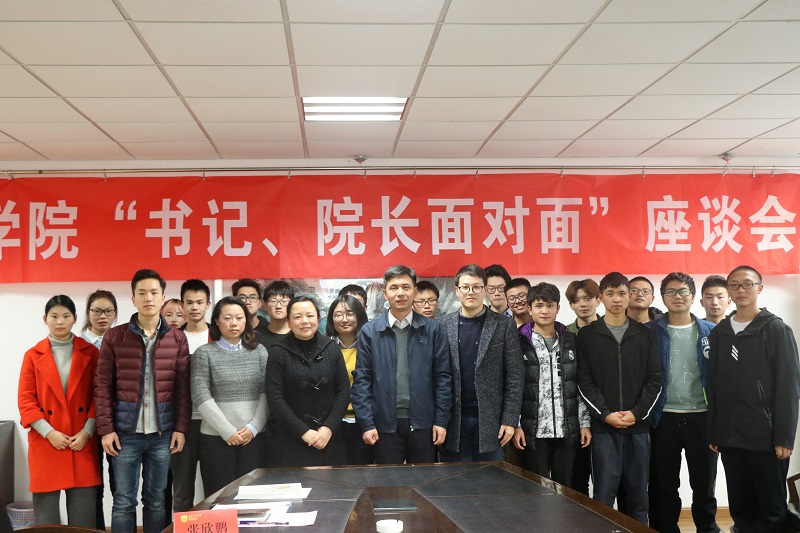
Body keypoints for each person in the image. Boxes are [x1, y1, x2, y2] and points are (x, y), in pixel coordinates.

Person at [95, 269, 191, 533]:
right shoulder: (115, 337)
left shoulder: (177, 338)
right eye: (142, 293)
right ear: (133, 299)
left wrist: (180, 428)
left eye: (154, 292)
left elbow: (182, 388)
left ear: (163, 298)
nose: (148, 298)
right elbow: (102, 386)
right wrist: (106, 429)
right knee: (123, 502)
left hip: (162, 435)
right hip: (125, 435)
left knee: (156, 501)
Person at [708, 266, 800, 532]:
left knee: (772, 508)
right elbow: (713, 385)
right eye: (734, 285)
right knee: (741, 507)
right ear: (729, 291)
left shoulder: (776, 329)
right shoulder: (720, 332)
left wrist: (784, 437)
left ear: (759, 288)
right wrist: (715, 430)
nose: (741, 290)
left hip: (766, 437)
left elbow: (789, 387)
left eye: (747, 284)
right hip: (730, 435)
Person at [577, 271, 661, 524]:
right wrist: (605, 414)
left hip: (638, 427)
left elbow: (655, 379)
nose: (617, 299)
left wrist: (636, 413)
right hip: (604, 429)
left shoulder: (644, 334)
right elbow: (584, 382)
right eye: (610, 293)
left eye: (622, 293)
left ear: (629, 296)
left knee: (638, 497)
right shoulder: (588, 335)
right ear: (601, 298)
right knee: (603, 496)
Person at [352, 265, 452, 464]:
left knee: (424, 479)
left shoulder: (433, 330)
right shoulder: (370, 331)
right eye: (394, 288)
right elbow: (362, 380)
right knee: (388, 481)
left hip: (424, 423)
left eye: (406, 287)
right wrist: (366, 422)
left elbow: (443, 378)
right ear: (385, 293)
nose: (400, 293)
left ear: (415, 291)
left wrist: (441, 420)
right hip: (383, 424)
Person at [647, 273, 720, 533]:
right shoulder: (650, 332)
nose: (677, 296)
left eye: (683, 291)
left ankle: (707, 529)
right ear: (662, 297)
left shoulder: (711, 332)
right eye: (671, 292)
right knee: (663, 484)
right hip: (663, 417)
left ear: (692, 296)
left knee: (704, 484)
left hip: (702, 417)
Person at [18, 295, 100, 527]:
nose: (60, 321)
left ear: (75, 318)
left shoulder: (91, 353)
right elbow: (26, 401)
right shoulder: (32, 355)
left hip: (80, 441)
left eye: (66, 316)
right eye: (54, 316)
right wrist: (49, 432)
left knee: (83, 522)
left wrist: (87, 431)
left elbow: (100, 396)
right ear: (45, 319)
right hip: (46, 442)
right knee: (46, 523)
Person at [440, 264, 523, 462]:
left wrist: (510, 420)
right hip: (454, 421)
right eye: (465, 287)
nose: (471, 292)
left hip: (491, 421)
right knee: (455, 477)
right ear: (457, 290)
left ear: (485, 290)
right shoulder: (442, 325)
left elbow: (515, 375)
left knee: (490, 478)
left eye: (477, 287)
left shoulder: (504, 324)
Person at [514, 283, 591, 487]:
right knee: (535, 488)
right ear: (530, 309)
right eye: (539, 306)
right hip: (533, 431)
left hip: (566, 430)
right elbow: (514, 388)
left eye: (550, 305)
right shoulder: (519, 342)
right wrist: (517, 424)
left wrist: (584, 423)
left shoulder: (570, 341)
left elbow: (579, 385)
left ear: (558, 308)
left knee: (564, 487)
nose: (545, 311)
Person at [192, 297, 268, 495]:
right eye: (227, 318)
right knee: (219, 497)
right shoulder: (204, 353)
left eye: (239, 318)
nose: (234, 323)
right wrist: (226, 430)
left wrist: (254, 427)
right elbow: (200, 394)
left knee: (253, 498)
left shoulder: (260, 352)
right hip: (216, 438)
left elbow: (267, 392)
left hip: (253, 438)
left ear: (246, 321)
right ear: (217, 321)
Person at [265, 296, 350, 467]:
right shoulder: (278, 352)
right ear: (289, 322)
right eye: (298, 317)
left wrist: (328, 428)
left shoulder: (332, 348)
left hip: (329, 438)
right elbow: (275, 398)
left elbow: (343, 390)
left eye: (310, 316)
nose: (305, 321)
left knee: (333, 483)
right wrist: (302, 432)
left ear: (318, 319)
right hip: (291, 439)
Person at [171, 279, 211, 514]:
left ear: (208, 305)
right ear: (182, 305)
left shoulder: (219, 336)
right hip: (182, 425)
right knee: (182, 490)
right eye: (189, 302)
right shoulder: (171, 338)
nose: (195, 307)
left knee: (216, 488)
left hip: (213, 424)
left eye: (199, 302)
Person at [79, 290, 117, 530]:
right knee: (92, 486)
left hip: (117, 422)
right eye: (97, 311)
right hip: (86, 423)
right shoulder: (78, 345)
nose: (103, 316)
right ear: (88, 312)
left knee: (119, 485)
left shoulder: (122, 341)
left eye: (108, 311)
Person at [325, 295, 373, 465]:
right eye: (338, 315)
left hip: (365, 421)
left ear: (359, 315)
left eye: (350, 314)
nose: (344, 319)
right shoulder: (323, 348)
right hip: (333, 422)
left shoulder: (371, 346)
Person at [564, 278, 600, 495]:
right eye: (576, 300)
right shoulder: (565, 334)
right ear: (571, 305)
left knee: (607, 479)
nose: (583, 304)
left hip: (605, 413)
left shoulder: (610, 329)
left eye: (588, 298)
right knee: (578, 478)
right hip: (574, 416)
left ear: (598, 300)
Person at [256, 280, 294, 348]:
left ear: (291, 305)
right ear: (265, 306)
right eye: (273, 301)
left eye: (284, 301)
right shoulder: (256, 337)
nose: (278, 306)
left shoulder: (299, 334)